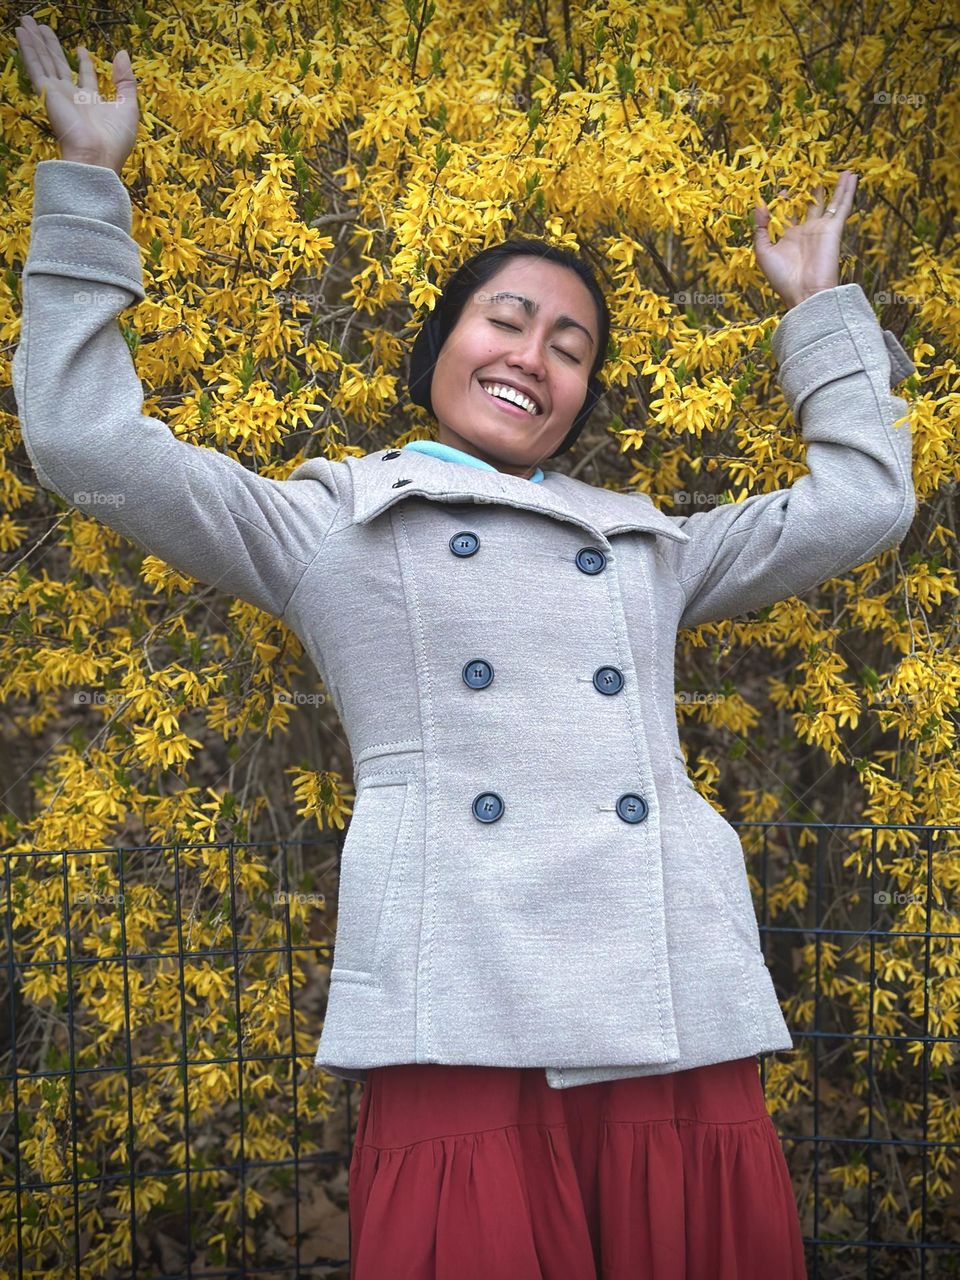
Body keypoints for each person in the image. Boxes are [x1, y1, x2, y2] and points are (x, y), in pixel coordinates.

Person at [14, 17, 917, 1279]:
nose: (533, 358)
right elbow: (89, 447)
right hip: (462, 998)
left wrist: (820, 315)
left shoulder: (645, 543)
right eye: (507, 320)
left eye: (571, 347)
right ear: (442, 341)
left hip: (666, 982)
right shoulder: (333, 518)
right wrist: (91, 188)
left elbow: (865, 506)